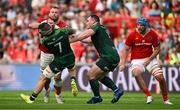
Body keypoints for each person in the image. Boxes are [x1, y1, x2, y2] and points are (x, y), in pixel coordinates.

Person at [70, 15, 124, 104]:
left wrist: (70, 40)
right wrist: (77, 37)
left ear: (94, 22)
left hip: (108, 56)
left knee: (90, 74)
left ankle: (97, 97)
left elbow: (84, 35)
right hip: (112, 56)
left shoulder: (97, 26)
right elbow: (90, 41)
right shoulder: (101, 29)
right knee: (99, 76)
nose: (86, 23)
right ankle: (117, 91)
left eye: (88, 21)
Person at [29, 6, 78, 103]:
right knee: (45, 77)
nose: (54, 13)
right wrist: (44, 25)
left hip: (57, 54)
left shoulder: (62, 25)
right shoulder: (43, 22)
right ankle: (47, 91)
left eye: (56, 12)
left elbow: (71, 36)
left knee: (57, 77)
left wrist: (56, 28)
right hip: (45, 54)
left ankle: (58, 96)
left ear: (59, 14)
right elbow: (31, 25)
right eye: (52, 12)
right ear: (49, 14)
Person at [119, 17, 173, 105]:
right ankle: (148, 95)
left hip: (150, 58)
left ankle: (166, 99)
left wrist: (149, 59)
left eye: (141, 25)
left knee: (160, 78)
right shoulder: (132, 34)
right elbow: (126, 49)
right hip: (136, 59)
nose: (139, 27)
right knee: (136, 73)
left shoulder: (153, 34)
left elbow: (157, 49)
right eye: (138, 25)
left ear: (146, 26)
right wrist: (122, 63)